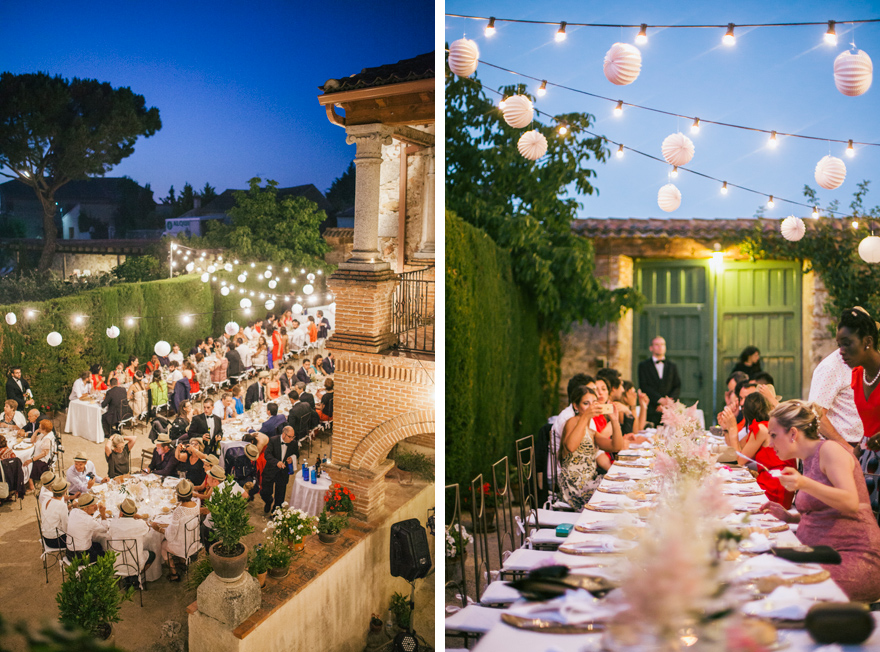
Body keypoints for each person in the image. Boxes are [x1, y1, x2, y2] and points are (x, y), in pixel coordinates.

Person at [761, 400, 880, 602]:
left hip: (852, 559)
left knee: (774, 584)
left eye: (773, 435)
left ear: (792, 434)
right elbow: (825, 509)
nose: (770, 443)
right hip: (823, 554)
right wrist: (789, 517)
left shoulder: (830, 450)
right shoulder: (809, 457)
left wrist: (803, 483)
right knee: (760, 566)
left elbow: (850, 502)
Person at [719, 392, 796, 507]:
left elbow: (739, 460)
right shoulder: (762, 426)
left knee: (730, 497)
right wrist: (727, 429)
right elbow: (737, 448)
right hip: (778, 482)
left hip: (775, 485)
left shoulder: (762, 429)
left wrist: (733, 428)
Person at [559, 386, 622, 510]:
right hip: (574, 488)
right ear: (576, 406)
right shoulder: (572, 421)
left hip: (589, 484)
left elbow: (616, 446)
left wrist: (615, 421)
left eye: (594, 403)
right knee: (615, 498)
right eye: (586, 403)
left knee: (619, 489)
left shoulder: (591, 431)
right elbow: (570, 447)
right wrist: (585, 416)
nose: (591, 407)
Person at [808, 347, 864, 450]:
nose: (842, 350)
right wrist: (848, 449)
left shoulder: (869, 365)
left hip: (866, 446)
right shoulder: (831, 367)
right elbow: (815, 414)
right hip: (841, 447)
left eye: (847, 343)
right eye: (841, 343)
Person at [151, 480, 199, 581]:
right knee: (180, 536)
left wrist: (158, 528)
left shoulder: (178, 511)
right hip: (194, 542)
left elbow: (171, 535)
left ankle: (174, 573)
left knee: (162, 545)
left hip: (183, 547)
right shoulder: (196, 505)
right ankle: (182, 562)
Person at [637, 336, 682, 427]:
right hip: (651, 408)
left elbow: (677, 385)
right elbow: (644, 386)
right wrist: (660, 400)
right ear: (651, 348)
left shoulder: (672, 365)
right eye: (657, 345)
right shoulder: (643, 366)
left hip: (669, 410)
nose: (660, 347)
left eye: (662, 344)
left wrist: (668, 402)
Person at [107, 498, 155, 582]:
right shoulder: (140, 524)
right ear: (134, 513)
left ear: (121, 513)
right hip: (136, 565)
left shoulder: (113, 524)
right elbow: (148, 529)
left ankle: (128, 577)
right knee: (152, 554)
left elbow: (109, 533)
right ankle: (136, 576)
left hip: (116, 564)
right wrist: (140, 518)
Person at [261, 426, 298, 513]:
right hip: (270, 470)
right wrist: (276, 462)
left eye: (293, 437)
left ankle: (276, 511)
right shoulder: (273, 440)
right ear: (284, 434)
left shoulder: (293, 443)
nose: (292, 439)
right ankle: (268, 501)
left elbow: (296, 454)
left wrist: (292, 458)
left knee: (280, 495)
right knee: (265, 492)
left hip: (283, 473)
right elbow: (267, 455)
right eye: (290, 437)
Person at [66, 492, 109, 563]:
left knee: (98, 545)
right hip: (80, 557)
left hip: (69, 552)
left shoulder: (73, 511)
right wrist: (103, 514)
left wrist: (92, 511)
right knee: (105, 553)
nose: (96, 506)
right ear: (85, 509)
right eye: (92, 505)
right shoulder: (88, 520)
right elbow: (104, 529)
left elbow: (87, 522)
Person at [24, 419, 56, 494]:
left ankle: (31, 487)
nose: (38, 427)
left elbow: (44, 454)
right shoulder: (43, 434)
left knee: (26, 464)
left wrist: (31, 460)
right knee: (26, 459)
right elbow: (32, 440)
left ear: (44, 429)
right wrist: (36, 432)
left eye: (40, 427)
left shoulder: (47, 438)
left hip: (43, 461)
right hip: (38, 456)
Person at [40, 478, 70, 549]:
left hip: (45, 536)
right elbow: (66, 527)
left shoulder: (46, 499)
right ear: (65, 491)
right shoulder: (62, 505)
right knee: (80, 537)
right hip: (55, 540)